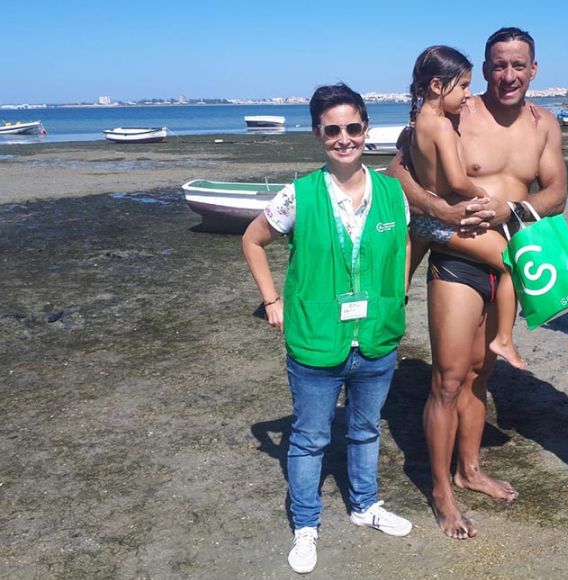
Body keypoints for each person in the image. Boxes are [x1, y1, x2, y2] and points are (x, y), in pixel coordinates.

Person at [388, 27, 567, 539]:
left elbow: (556, 190)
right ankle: (442, 491)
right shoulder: (456, 109)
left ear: (533, 70)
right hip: (458, 259)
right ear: (484, 69)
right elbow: (399, 168)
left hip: (510, 255)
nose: (507, 76)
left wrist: (516, 207)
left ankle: (469, 470)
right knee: (446, 380)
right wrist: (434, 209)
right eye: (498, 66)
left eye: (518, 66)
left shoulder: (545, 125)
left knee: (478, 377)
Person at [242, 83, 413, 574]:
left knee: (364, 431)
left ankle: (364, 506)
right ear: (319, 134)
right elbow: (253, 241)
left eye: (353, 128)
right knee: (310, 438)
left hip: (376, 338)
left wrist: (396, 299)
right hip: (316, 339)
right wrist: (272, 300)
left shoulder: (392, 193)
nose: (344, 138)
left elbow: (400, 250)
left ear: (366, 129)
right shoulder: (298, 195)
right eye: (332, 130)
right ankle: (306, 525)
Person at [406, 45, 527, 370]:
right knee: (512, 262)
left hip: (424, 222)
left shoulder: (419, 122)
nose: (467, 94)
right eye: (462, 85)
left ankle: (394, 302)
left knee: (402, 278)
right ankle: (504, 337)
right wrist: (481, 196)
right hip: (443, 222)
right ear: (436, 85)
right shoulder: (443, 126)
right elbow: (458, 181)